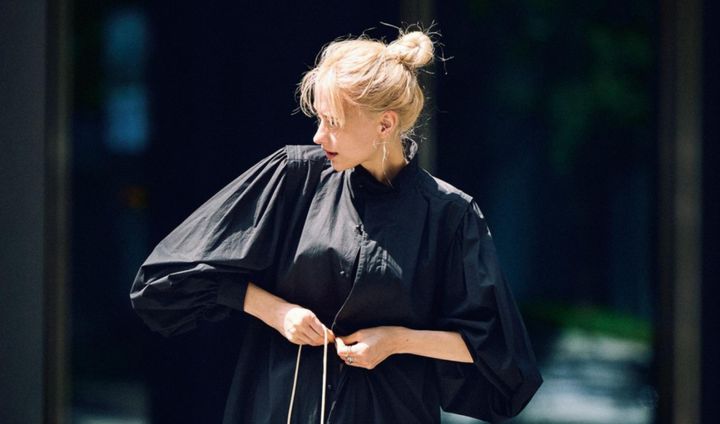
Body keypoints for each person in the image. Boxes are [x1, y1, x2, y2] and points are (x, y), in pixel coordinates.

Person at [130, 28, 542, 424]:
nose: (318, 136)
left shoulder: (449, 214)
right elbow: (170, 276)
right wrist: (277, 312)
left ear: (385, 125)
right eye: (319, 119)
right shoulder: (293, 176)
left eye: (333, 123)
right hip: (285, 407)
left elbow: (498, 350)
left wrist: (396, 340)